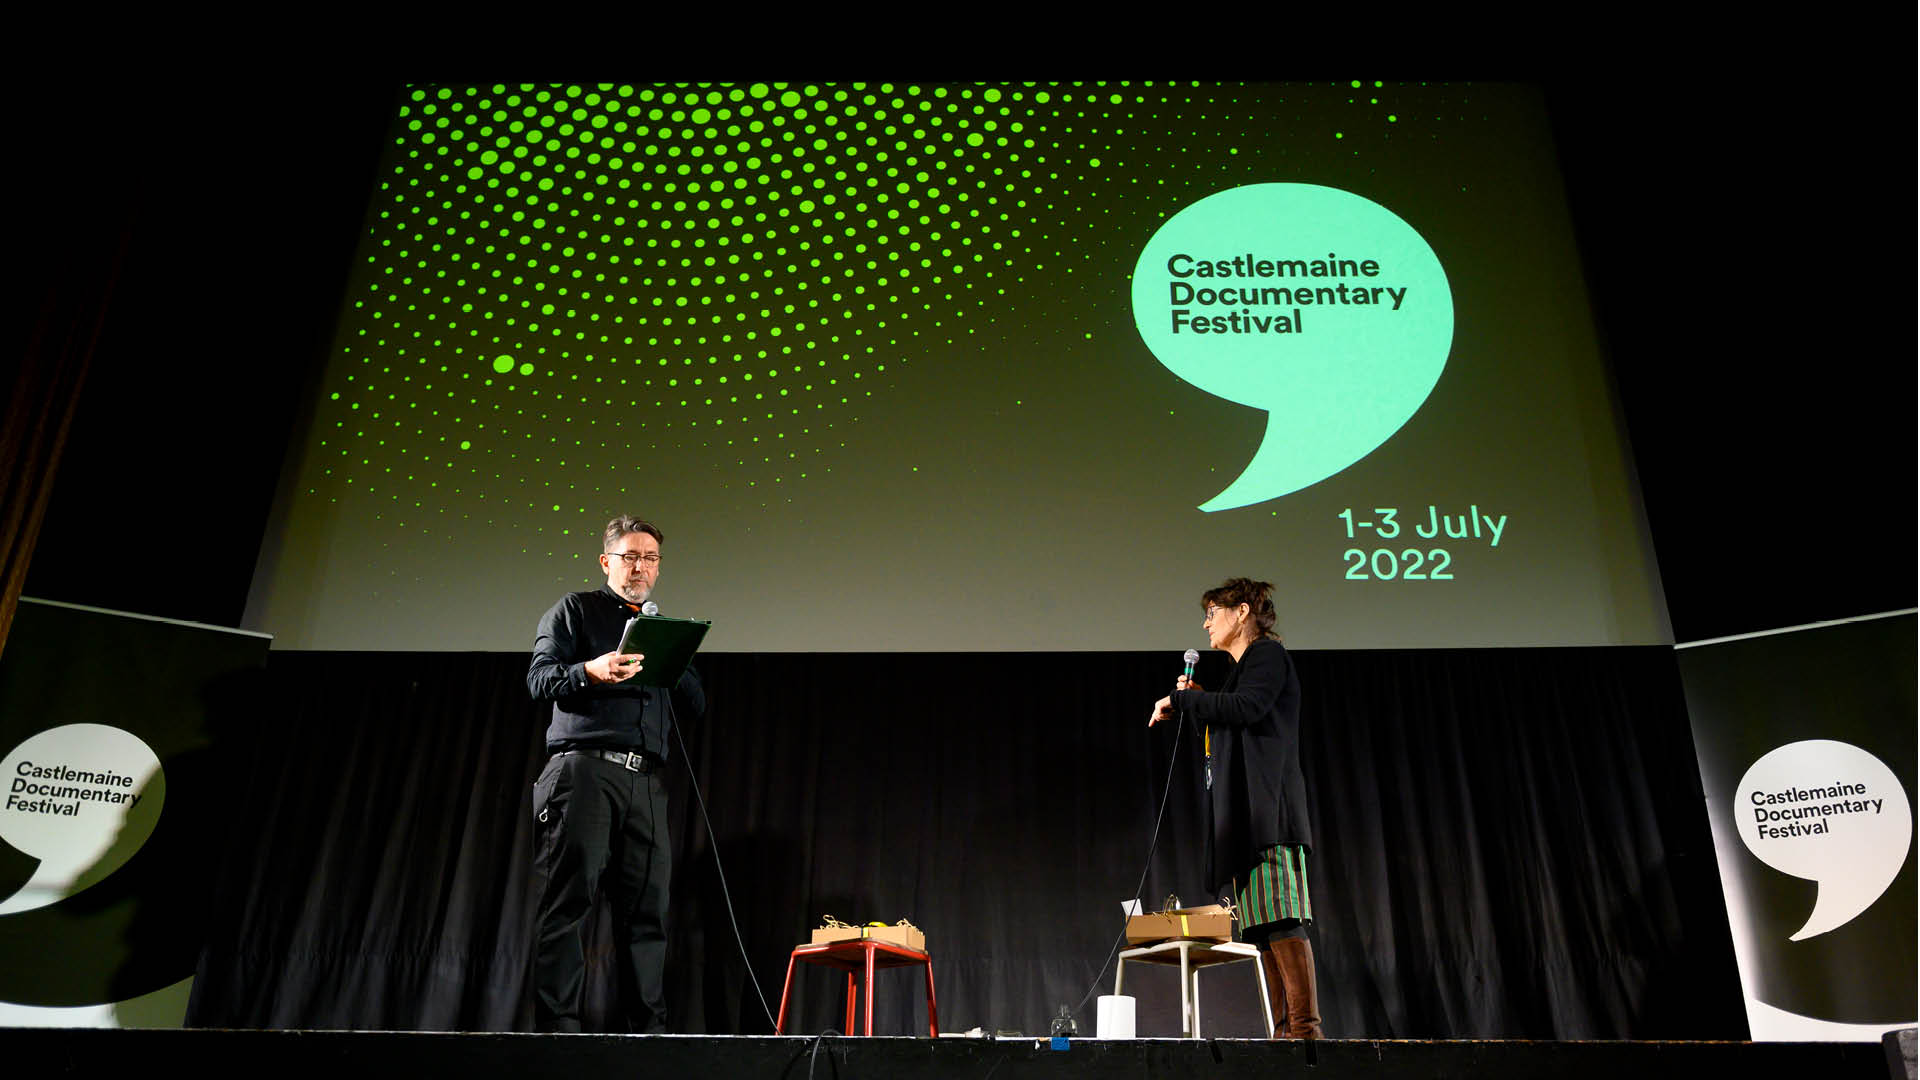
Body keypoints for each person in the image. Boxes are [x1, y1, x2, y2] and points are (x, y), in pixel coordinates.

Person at [527, 515, 706, 1033]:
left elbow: (696, 702)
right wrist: (591, 670)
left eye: (650, 558)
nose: (641, 567)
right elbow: (539, 680)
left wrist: (677, 656)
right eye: (630, 556)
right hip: (583, 773)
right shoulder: (575, 610)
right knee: (569, 902)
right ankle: (560, 1029)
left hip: (644, 782)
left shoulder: (660, 627)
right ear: (606, 561)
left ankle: (647, 1032)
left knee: (647, 914)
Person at [1149, 577, 1319, 1039]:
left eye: (1212, 613)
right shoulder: (1240, 670)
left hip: (1270, 817)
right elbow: (1233, 713)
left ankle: (1305, 1033)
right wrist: (1199, 699)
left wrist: (1186, 699)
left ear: (1241, 612)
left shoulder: (1267, 654)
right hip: (1246, 819)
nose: (1206, 624)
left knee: (1281, 918)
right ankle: (1284, 1035)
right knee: (1261, 928)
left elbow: (1248, 708)